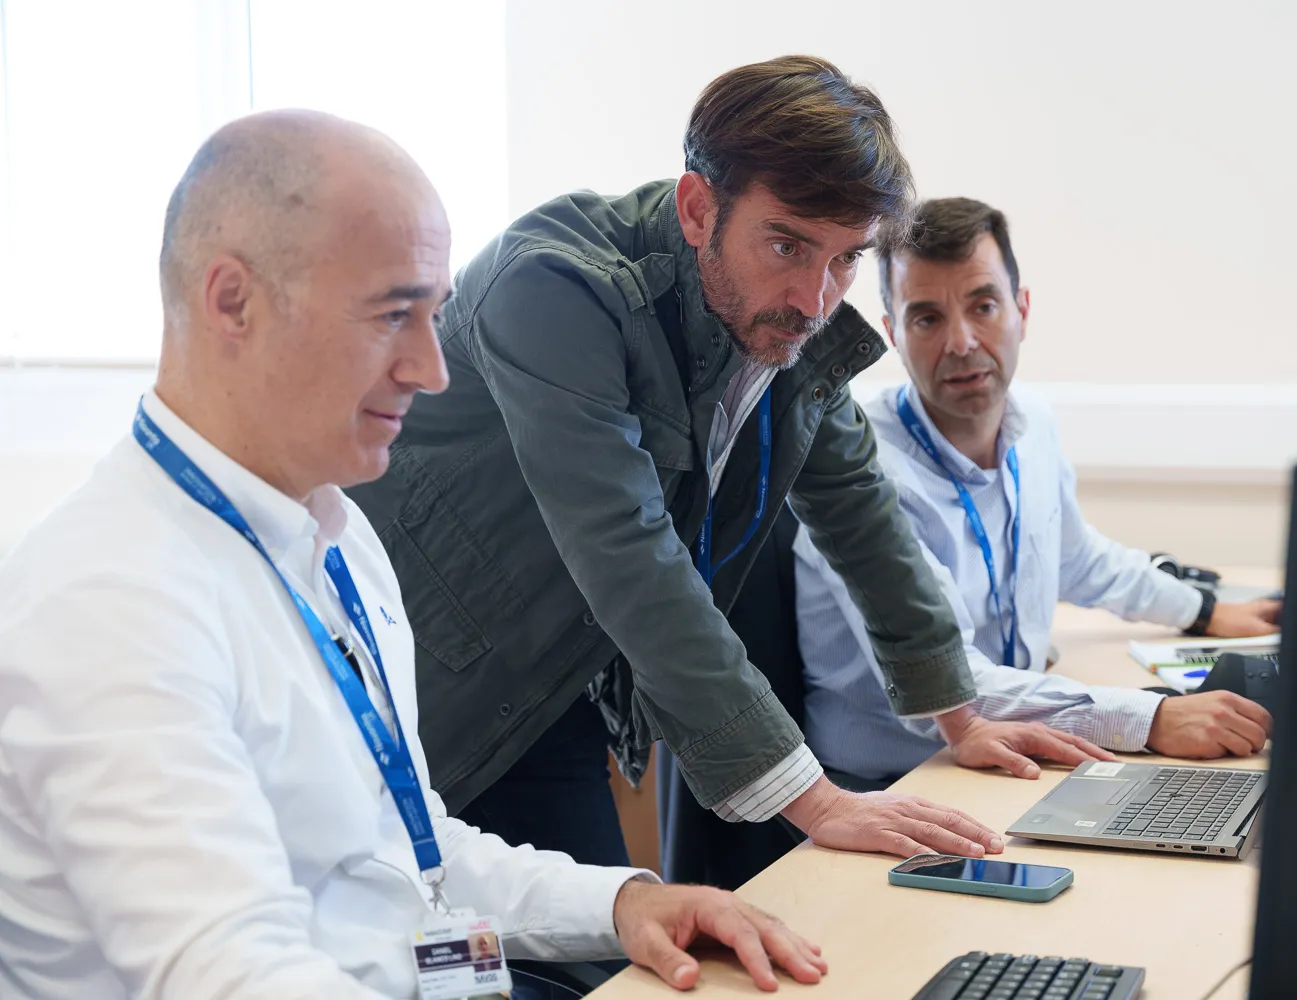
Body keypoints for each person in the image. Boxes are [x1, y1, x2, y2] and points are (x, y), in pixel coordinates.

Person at [0, 110, 829, 999]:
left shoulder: (339, 537)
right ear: (231, 299)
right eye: (394, 314)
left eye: (434, 317)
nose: (432, 369)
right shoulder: (110, 606)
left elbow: (405, 850)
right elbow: (233, 975)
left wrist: (625, 901)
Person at [346, 55, 1112, 868]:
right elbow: (628, 550)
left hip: (555, 688)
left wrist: (961, 716)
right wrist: (819, 802)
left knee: (593, 964)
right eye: (788, 244)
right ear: (697, 207)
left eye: (846, 259)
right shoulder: (553, 287)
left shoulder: (771, 316)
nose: (816, 299)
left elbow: (860, 509)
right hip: (418, 682)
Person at [794, 196, 1280, 788]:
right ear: (892, 332)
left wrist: (1203, 610)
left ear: (1022, 309)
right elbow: (948, 680)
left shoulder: (1032, 424)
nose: (962, 341)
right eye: (927, 318)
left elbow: (1078, 559)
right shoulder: (861, 477)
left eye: (984, 305)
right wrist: (1149, 717)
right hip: (900, 782)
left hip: (1011, 748)